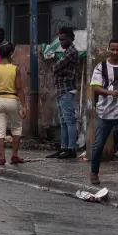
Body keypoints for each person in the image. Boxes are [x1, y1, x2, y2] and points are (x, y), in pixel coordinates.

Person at [0, 42, 26, 165]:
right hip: (12, 100)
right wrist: (24, 105)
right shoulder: (16, 69)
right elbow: (19, 89)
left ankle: (2, 158)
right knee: (17, 127)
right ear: (10, 54)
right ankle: (14, 155)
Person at [89, 42, 118, 185]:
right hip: (105, 113)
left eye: (117, 50)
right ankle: (94, 173)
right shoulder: (101, 67)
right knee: (98, 145)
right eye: (112, 49)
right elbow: (95, 87)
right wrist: (111, 93)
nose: (115, 52)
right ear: (109, 50)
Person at [48, 27, 80, 159]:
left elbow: (55, 67)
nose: (61, 42)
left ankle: (71, 149)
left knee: (69, 121)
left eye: (63, 39)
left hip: (67, 89)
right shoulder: (67, 51)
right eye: (60, 39)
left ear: (70, 39)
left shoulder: (71, 52)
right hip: (61, 89)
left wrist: (58, 69)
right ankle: (64, 147)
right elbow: (56, 68)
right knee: (63, 122)